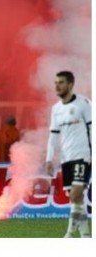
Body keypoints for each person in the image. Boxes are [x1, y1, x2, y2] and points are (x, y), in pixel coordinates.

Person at [45, 71, 91, 238]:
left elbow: (92, 128)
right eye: (55, 82)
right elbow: (53, 135)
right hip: (66, 158)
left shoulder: (84, 103)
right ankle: (86, 235)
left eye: (61, 82)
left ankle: (70, 234)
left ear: (71, 85)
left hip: (83, 155)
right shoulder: (56, 109)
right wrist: (49, 159)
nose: (57, 86)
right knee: (76, 199)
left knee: (76, 194)